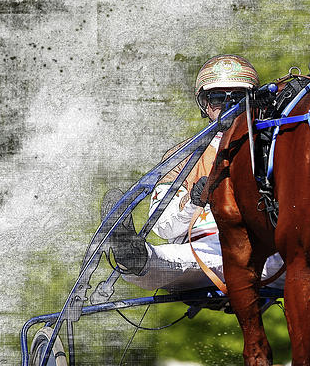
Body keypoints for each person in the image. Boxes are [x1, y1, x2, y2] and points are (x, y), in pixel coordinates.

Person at [103, 54, 284, 292]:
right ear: (205, 104)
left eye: (239, 97)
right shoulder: (181, 156)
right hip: (200, 248)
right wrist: (194, 200)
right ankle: (132, 254)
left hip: (262, 248)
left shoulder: (274, 146)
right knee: (162, 261)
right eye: (218, 97)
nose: (229, 106)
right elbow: (164, 228)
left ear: (255, 100)